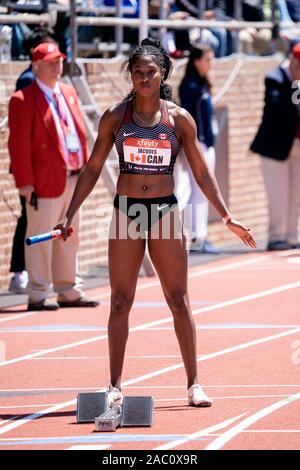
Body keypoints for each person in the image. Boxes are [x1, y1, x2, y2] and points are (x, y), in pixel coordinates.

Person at [58, 38, 256, 407]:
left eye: (150, 72)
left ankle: (194, 383)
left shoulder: (178, 119)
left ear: (162, 73)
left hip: (164, 211)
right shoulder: (116, 117)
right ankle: (115, 386)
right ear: (130, 76)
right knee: (120, 301)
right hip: (127, 211)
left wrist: (226, 215)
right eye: (137, 73)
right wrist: (69, 212)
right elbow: (92, 168)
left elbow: (200, 170)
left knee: (178, 298)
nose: (144, 78)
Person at [8, 42, 99, 311]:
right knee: (42, 237)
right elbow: (19, 145)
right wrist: (24, 182)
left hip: (73, 177)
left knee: (69, 235)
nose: (57, 66)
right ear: (35, 66)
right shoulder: (23, 100)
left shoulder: (69, 92)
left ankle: (68, 289)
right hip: (44, 181)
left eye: (59, 61)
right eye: (50, 62)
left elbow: (79, 132)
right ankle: (38, 293)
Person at [8, 27, 57, 295]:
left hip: (48, 166)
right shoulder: (28, 82)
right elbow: (22, 133)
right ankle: (20, 271)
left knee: (40, 219)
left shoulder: (54, 85)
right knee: (29, 218)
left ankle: (34, 273)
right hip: (34, 166)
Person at [250, 42, 300, 251]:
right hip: (276, 147)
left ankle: (291, 236)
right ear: (294, 61)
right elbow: (279, 108)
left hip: (297, 145)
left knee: (296, 194)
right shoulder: (275, 77)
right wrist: (295, 87)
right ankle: (276, 236)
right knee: (278, 195)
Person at [179, 44, 219, 253]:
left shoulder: (201, 84)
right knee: (197, 190)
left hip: (207, 144)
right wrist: (196, 142)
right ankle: (195, 235)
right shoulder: (190, 86)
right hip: (198, 144)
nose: (210, 64)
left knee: (202, 191)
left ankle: (199, 234)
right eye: (207, 60)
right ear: (196, 61)